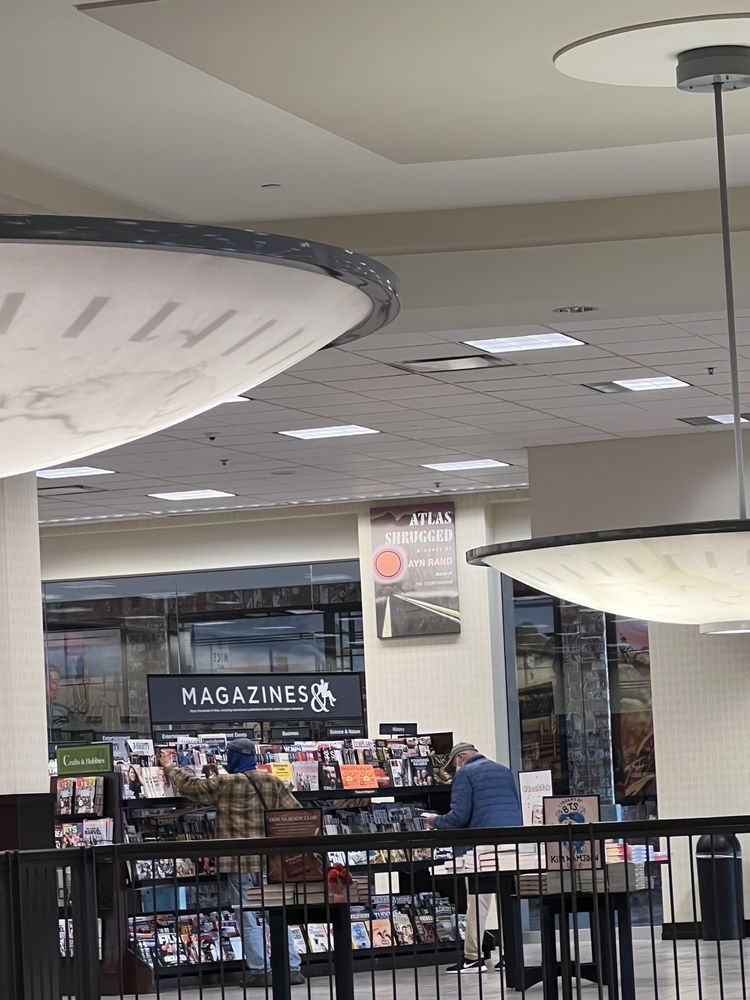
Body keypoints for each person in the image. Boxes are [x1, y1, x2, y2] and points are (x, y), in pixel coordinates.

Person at [159, 738, 305, 987]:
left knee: (247, 917)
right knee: (276, 914)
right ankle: (291, 967)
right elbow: (297, 814)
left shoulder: (225, 783)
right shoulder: (272, 782)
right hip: (271, 863)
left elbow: (191, 787)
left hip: (239, 862)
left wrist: (170, 766)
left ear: (234, 758)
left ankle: (261, 970)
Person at [423, 742, 522, 975]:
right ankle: (510, 955)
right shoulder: (503, 770)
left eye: (455, 764)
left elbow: (459, 816)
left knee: (478, 900)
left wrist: (434, 821)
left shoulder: (465, 774)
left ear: (461, 757)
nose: (456, 768)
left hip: (483, 845)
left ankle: (472, 957)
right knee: (507, 897)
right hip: (512, 841)